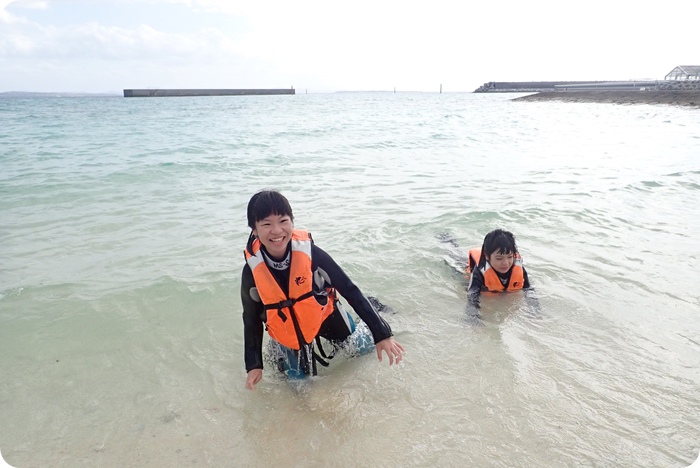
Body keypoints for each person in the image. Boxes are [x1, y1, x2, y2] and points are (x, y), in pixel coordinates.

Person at [241, 190, 405, 390]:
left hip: (324, 315)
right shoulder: (252, 271)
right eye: (266, 224)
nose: (277, 231)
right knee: (298, 387)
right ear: (255, 230)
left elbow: (348, 289)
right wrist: (254, 365)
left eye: (283, 221)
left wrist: (382, 334)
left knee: (361, 349)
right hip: (288, 329)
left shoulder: (312, 255)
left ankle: (374, 311)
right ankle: (278, 347)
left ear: (292, 222)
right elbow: (251, 318)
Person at [465, 229, 537, 318]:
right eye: (499, 258)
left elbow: (528, 289)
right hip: (467, 273)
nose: (506, 263)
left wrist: (535, 312)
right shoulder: (480, 271)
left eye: (510, 257)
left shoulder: (518, 267)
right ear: (487, 256)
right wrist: (473, 318)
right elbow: (472, 296)